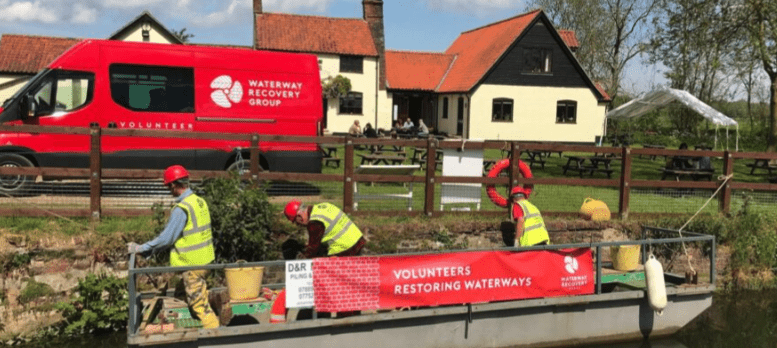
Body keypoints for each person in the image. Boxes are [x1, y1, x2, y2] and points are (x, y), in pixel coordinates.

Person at [127, 165, 219, 329]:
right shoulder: (199, 201)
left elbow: (166, 239)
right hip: (205, 261)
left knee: (200, 307)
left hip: (192, 265)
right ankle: (191, 331)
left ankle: (216, 338)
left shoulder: (181, 208)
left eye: (168, 186)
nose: (169, 190)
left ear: (175, 185)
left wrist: (140, 249)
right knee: (181, 296)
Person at [283, 200, 366, 258]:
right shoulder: (323, 206)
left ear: (299, 216)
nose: (298, 225)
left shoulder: (314, 223)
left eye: (295, 221)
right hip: (358, 240)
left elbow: (314, 248)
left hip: (344, 249)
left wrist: (304, 258)